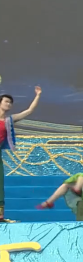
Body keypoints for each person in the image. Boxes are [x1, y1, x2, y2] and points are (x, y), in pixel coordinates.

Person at [0, 86, 41, 222]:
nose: (9, 104)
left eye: (10, 103)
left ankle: (0, 216)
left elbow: (29, 111)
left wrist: (38, 95)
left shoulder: (8, 120)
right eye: (6, 101)